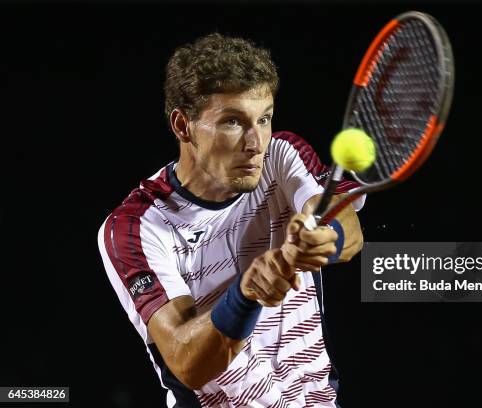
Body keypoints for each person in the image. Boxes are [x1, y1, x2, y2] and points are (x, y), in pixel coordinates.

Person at [97, 33, 364, 408]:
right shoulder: (136, 226)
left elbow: (347, 230)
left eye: (265, 119)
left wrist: (321, 235)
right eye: (233, 122)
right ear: (182, 125)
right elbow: (187, 361)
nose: (256, 142)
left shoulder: (282, 155)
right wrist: (246, 292)